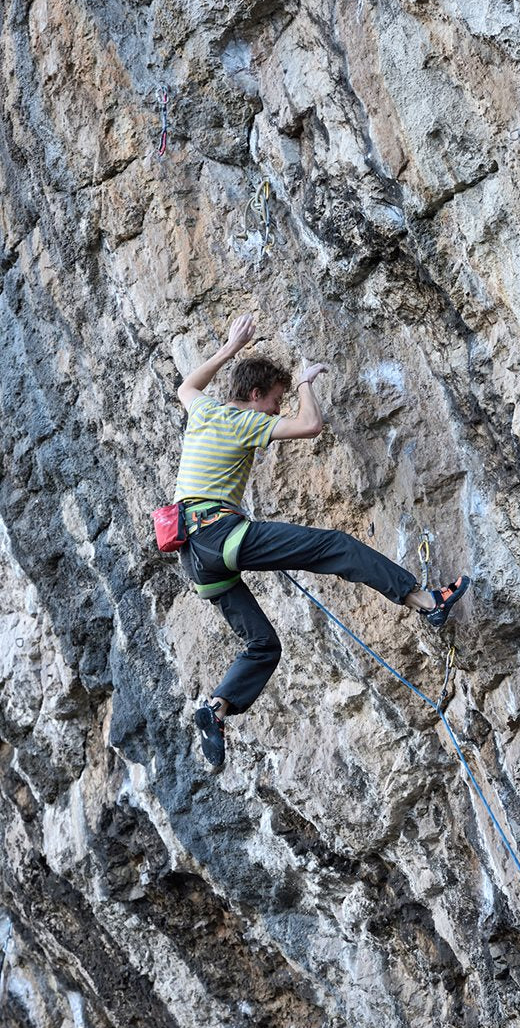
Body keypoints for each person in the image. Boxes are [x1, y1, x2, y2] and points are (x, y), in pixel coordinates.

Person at [174, 314, 470, 766]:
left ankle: (216, 709)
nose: (276, 410)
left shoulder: (204, 411)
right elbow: (309, 426)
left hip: (194, 559)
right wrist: (304, 386)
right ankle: (426, 602)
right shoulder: (241, 421)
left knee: (263, 646)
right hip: (218, 534)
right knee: (333, 546)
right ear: (255, 396)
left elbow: (186, 387)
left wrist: (229, 349)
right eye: (273, 401)